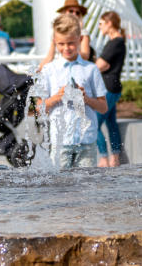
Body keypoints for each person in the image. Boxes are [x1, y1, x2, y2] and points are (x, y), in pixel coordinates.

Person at [36, 13, 107, 169]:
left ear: (80, 40)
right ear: (55, 42)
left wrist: (86, 99)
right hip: (60, 142)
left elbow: (103, 107)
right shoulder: (49, 70)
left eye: (71, 43)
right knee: (60, 188)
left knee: (86, 187)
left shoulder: (91, 69)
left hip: (87, 141)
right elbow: (39, 108)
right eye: (61, 44)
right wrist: (57, 97)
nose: (66, 48)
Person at [94, 11, 126, 167]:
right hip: (112, 87)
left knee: (93, 123)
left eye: (100, 23)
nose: (99, 27)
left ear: (109, 23)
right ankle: (115, 158)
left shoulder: (115, 42)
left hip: (108, 88)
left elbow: (102, 65)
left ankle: (103, 158)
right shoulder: (116, 42)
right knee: (111, 123)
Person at [38, 0, 94, 69]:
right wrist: (38, 71)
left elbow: (85, 56)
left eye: (77, 12)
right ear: (64, 12)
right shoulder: (57, 32)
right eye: (71, 11)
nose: (74, 14)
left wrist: (67, 53)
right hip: (59, 67)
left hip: (76, 67)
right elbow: (50, 56)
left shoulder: (83, 33)